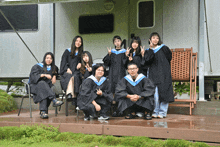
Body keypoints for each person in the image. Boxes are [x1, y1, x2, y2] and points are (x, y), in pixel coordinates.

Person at [143, 32, 174, 118]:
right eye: (153, 38)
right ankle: (155, 111)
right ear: (150, 40)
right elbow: (147, 61)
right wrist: (150, 50)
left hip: (164, 74)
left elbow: (169, 58)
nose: (155, 40)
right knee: (155, 95)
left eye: (157, 38)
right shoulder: (148, 51)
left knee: (164, 93)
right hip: (153, 74)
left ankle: (162, 112)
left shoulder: (164, 48)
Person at [29, 52, 64, 119]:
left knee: (44, 90)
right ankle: (53, 99)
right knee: (42, 83)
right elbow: (33, 78)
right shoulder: (37, 66)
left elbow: (57, 72)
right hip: (35, 86)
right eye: (47, 58)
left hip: (45, 88)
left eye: (51, 58)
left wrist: (54, 76)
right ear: (44, 58)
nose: (49, 60)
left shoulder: (53, 67)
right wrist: (44, 75)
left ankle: (43, 112)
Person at [102, 35, 126, 116]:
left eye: (118, 41)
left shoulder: (124, 52)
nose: (117, 42)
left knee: (120, 91)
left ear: (121, 42)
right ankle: (114, 109)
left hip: (121, 74)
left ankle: (121, 109)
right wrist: (109, 55)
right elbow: (106, 63)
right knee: (113, 91)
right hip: (112, 74)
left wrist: (127, 55)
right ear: (114, 43)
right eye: (115, 41)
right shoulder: (111, 52)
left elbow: (126, 64)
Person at [60, 36, 83, 107]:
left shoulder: (81, 53)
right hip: (67, 71)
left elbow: (85, 62)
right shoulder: (67, 51)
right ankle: (74, 97)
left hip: (76, 72)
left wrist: (81, 64)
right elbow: (63, 62)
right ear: (74, 42)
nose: (78, 43)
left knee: (75, 76)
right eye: (77, 41)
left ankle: (71, 94)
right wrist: (66, 68)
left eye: (80, 41)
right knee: (70, 76)